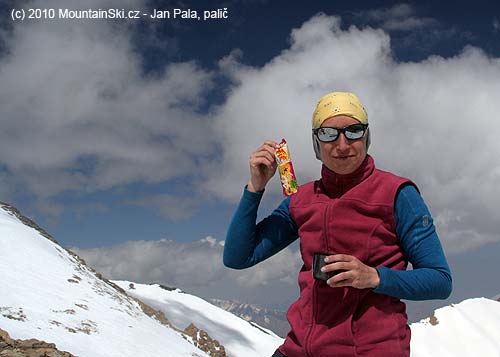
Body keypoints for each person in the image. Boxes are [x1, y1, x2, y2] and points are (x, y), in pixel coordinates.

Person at [223, 91, 452, 357]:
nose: (342, 144)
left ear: (367, 137)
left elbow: (440, 280)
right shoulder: (301, 200)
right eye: (329, 134)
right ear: (316, 144)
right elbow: (238, 257)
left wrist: (374, 277)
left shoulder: (398, 194)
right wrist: (255, 187)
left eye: (354, 131)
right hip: (298, 350)